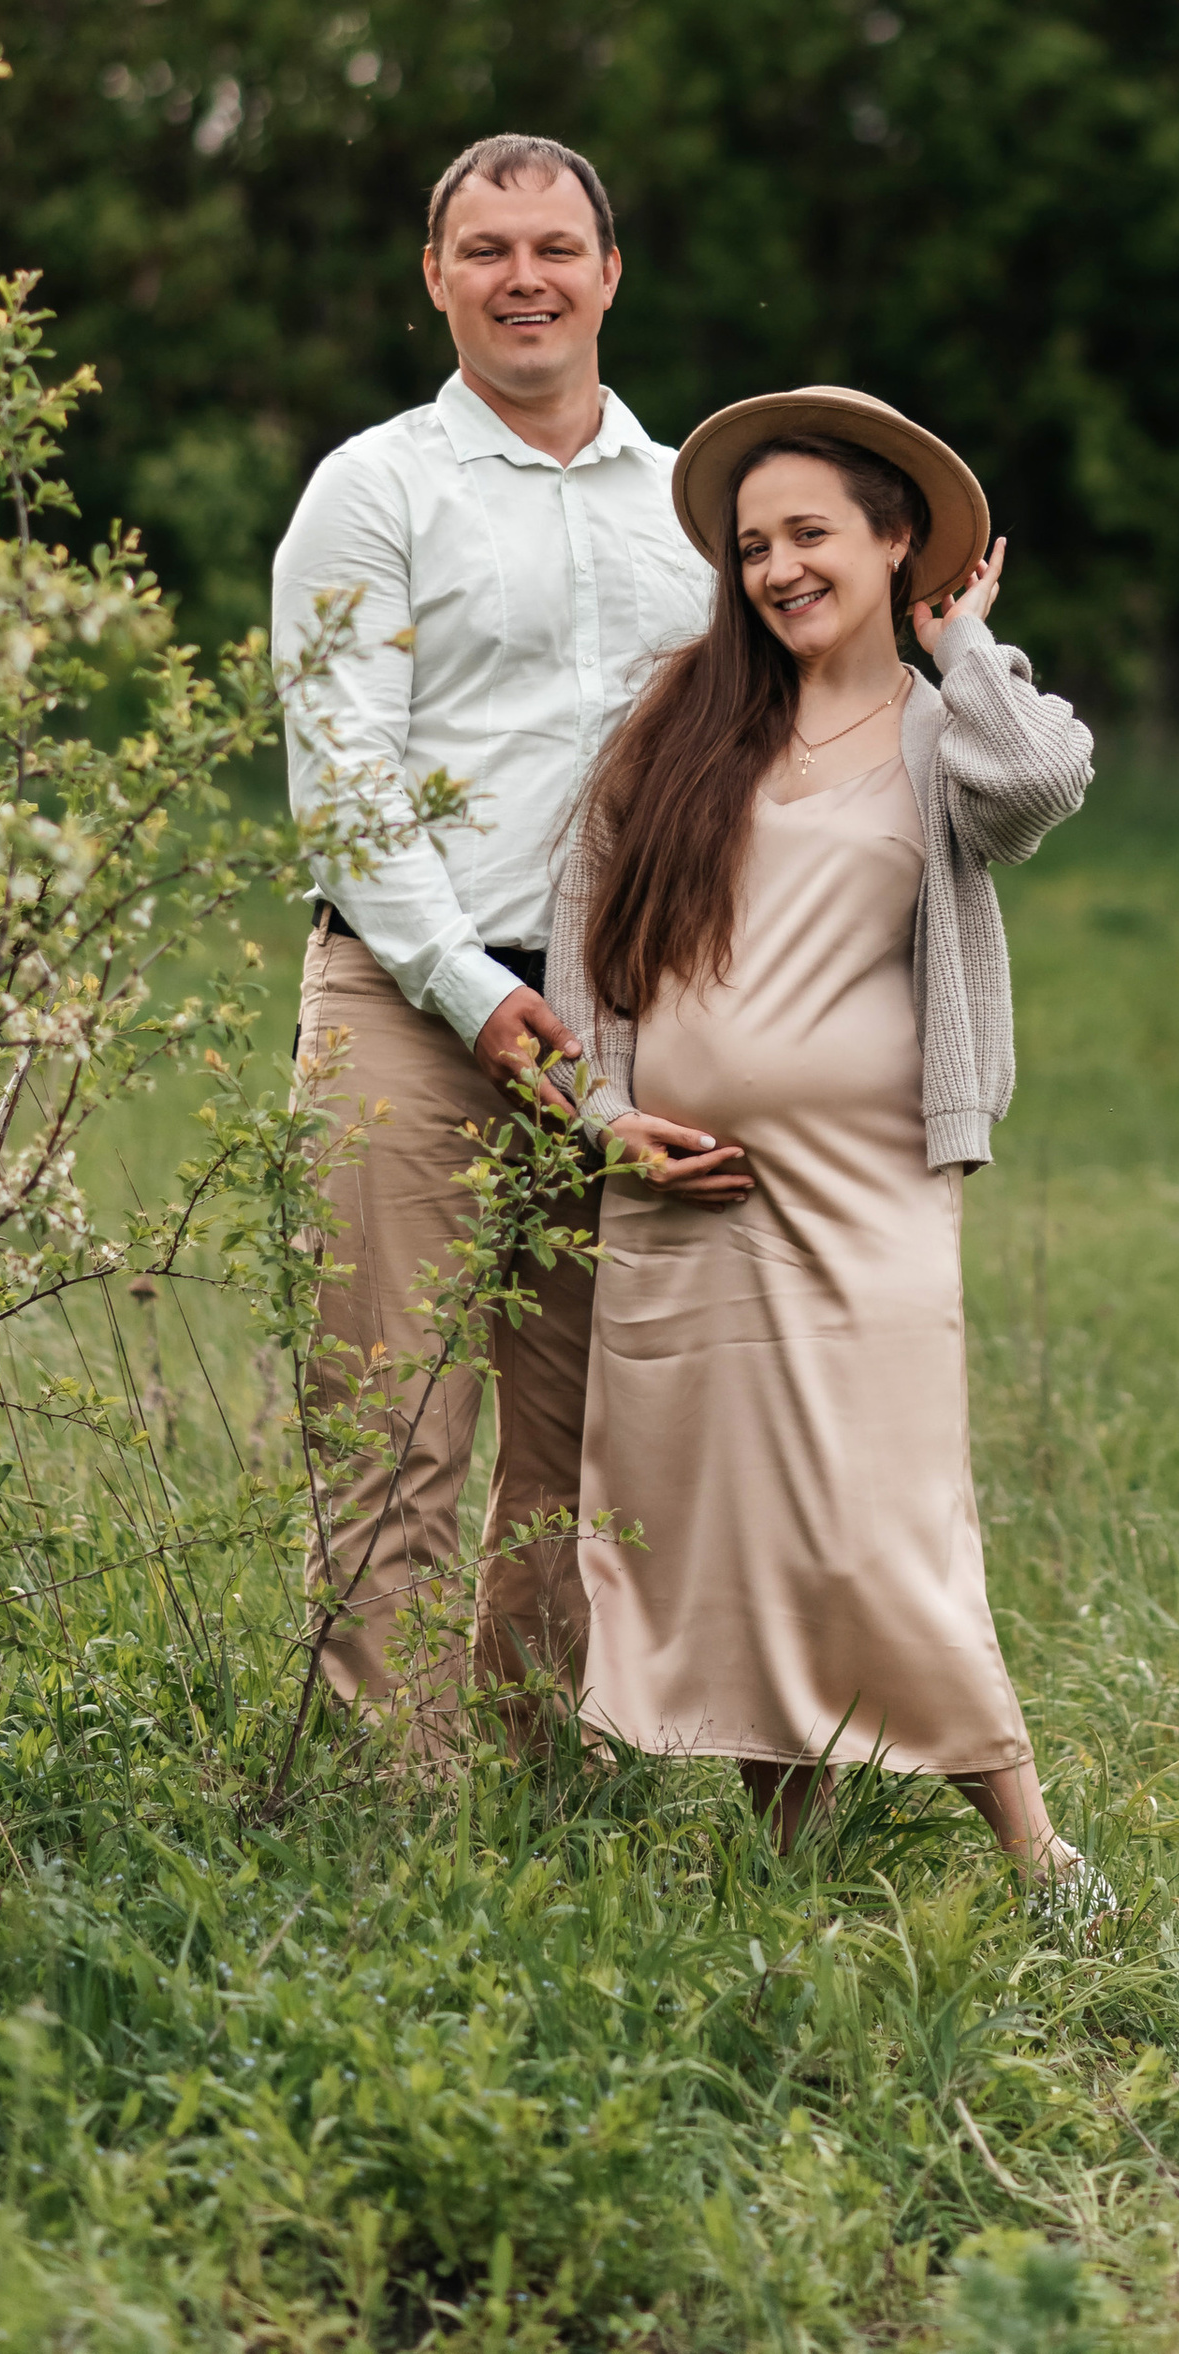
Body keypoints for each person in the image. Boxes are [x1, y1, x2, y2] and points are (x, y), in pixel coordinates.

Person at [546, 384, 1100, 1883]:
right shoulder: (680, 716)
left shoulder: (946, 729)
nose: (780, 567)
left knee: (881, 1514)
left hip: (865, 1191)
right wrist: (610, 1119)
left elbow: (1047, 781)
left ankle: (1035, 1850)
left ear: (893, 538)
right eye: (754, 545)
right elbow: (582, 946)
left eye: (811, 534)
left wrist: (960, 641)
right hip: (683, 1193)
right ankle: (781, 1850)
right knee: (724, 1522)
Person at [270, 130, 711, 1757]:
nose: (523, 277)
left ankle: (539, 1794)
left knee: (589, 1438)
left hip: (625, 1017)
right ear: (435, 278)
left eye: (554, 247)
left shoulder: (693, 508)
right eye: (485, 249)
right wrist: (472, 992)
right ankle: (394, 1826)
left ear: (610, 272)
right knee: (393, 1431)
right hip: (408, 996)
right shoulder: (374, 489)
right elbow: (344, 780)